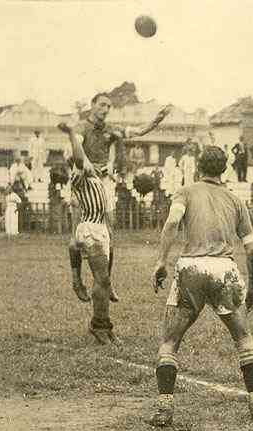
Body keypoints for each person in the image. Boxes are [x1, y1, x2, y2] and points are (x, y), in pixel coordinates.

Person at [149, 146, 253, 426]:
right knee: (243, 339)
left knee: (170, 341)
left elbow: (171, 223)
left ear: (198, 167)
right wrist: (252, 288)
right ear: (224, 169)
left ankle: (164, 409)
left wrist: (161, 262)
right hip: (224, 271)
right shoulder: (235, 200)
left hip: (191, 267)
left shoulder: (186, 192)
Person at [66, 93, 171, 305]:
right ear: (92, 105)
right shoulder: (80, 128)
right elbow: (74, 153)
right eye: (102, 105)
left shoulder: (111, 130)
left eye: (109, 106)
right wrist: (86, 165)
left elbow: (138, 131)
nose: (105, 109)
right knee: (76, 238)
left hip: (104, 183)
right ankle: (77, 279)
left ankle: (106, 282)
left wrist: (157, 119)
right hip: (83, 183)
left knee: (109, 236)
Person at [59, 119, 120, 344]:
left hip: (99, 229)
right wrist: (72, 134)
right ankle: (99, 325)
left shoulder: (94, 174)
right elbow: (78, 156)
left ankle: (103, 322)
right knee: (102, 279)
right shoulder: (80, 170)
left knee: (102, 279)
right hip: (90, 229)